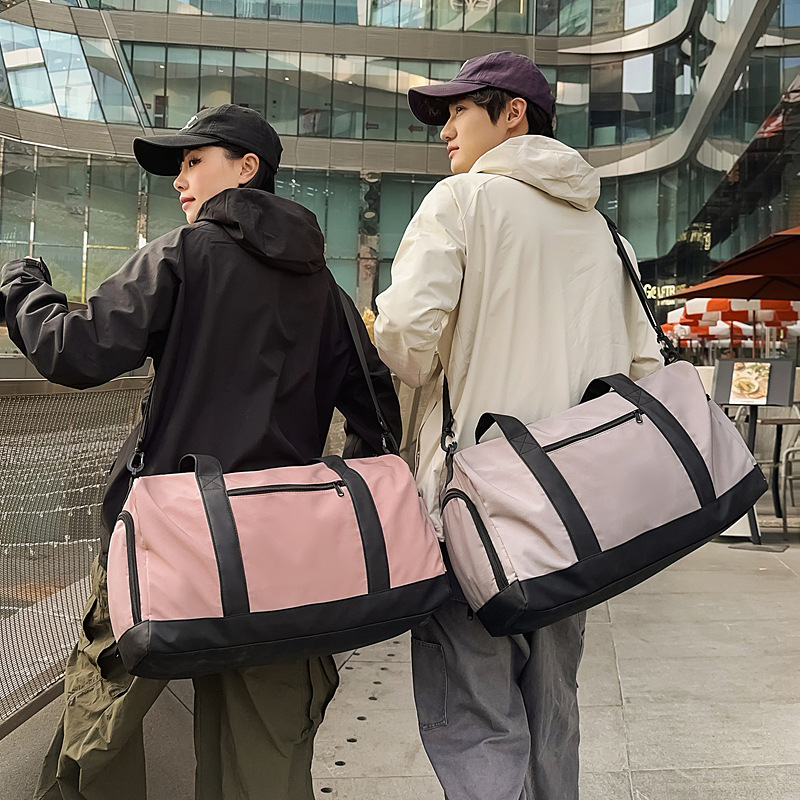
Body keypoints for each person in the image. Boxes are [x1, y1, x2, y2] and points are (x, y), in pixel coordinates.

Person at [0, 104, 401, 800]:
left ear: (247, 169)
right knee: (266, 756)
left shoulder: (185, 255)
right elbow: (378, 420)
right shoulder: (326, 290)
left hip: (171, 538)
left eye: (194, 161)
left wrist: (24, 288)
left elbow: (77, 351)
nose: (181, 181)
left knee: (100, 734)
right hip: (282, 556)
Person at [374, 52, 662, 800]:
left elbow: (406, 336)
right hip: (576, 512)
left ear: (514, 115)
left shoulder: (461, 203)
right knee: (553, 704)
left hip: (477, 501)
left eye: (460, 111)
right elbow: (642, 369)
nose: (445, 129)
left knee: (475, 708)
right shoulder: (606, 235)